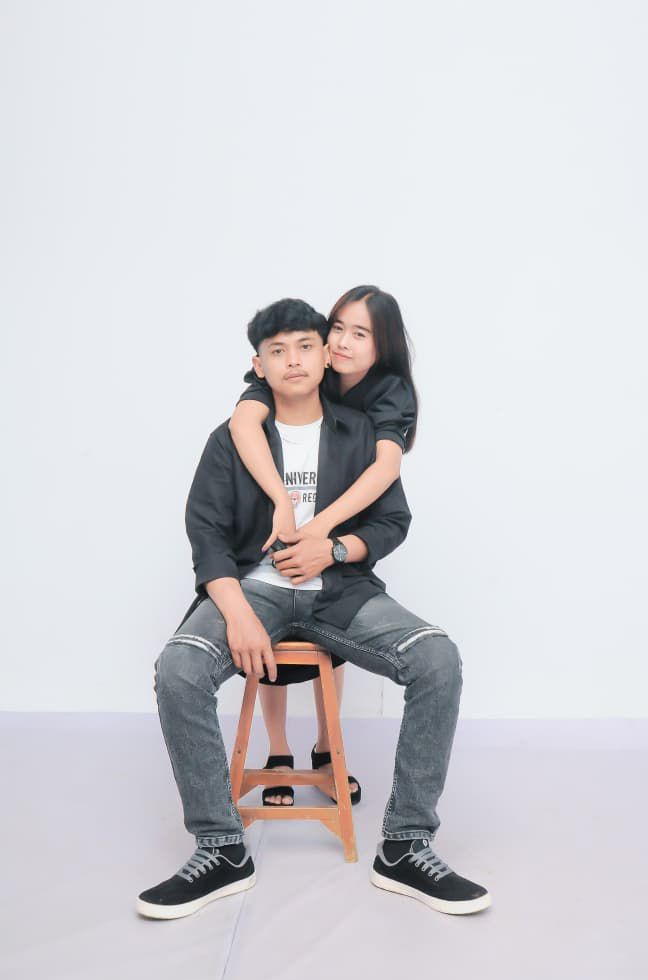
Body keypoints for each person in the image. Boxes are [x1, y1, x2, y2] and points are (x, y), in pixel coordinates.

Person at [137, 298, 491, 920]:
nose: (293, 360)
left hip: (340, 591)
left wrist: (334, 548)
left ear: (326, 355)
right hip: (253, 590)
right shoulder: (233, 437)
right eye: (277, 351)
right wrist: (238, 613)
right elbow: (207, 534)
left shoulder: (361, 432)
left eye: (305, 345)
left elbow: (391, 520)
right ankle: (221, 849)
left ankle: (405, 846)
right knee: (178, 669)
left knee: (437, 657)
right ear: (258, 366)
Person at [228, 286, 417, 808]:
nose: (343, 342)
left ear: (382, 345)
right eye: (337, 328)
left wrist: (323, 532)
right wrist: (280, 504)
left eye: (361, 334)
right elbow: (243, 421)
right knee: (268, 634)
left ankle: (326, 747)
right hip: (274, 536)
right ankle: (278, 750)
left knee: (333, 634)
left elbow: (386, 468)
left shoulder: (388, 392)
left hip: (333, 528)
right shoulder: (304, 364)